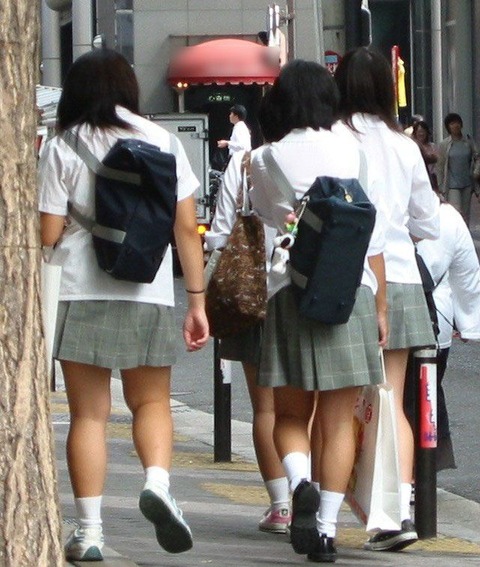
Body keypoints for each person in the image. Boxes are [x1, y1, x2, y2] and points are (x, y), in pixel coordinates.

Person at [38, 48, 209, 562]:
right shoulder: (163, 140)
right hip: (147, 289)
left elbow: (47, 235)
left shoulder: (63, 145)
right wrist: (196, 302)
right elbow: (186, 229)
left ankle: (90, 532)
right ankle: (157, 483)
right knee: (151, 402)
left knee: (89, 415)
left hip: (79, 288)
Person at [249, 59, 388, 563]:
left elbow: (267, 215)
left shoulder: (265, 158)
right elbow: (372, 232)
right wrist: (380, 306)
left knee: (290, 414)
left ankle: (299, 484)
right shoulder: (355, 152)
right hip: (350, 291)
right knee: (338, 420)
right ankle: (326, 530)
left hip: (292, 290)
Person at [335, 46, 440, 552]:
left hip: (349, 280)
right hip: (399, 275)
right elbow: (428, 220)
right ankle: (398, 511)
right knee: (390, 398)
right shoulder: (404, 146)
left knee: (338, 404)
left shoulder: (334, 137)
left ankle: (328, 511)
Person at [203, 150, 291, 534]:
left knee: (266, 408)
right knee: (312, 406)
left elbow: (220, 234)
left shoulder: (244, 163)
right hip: (307, 293)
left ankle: (281, 506)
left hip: (255, 296)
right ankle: (313, 494)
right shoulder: (323, 151)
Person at [404, 194, 480, 471]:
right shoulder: (448, 216)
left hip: (390, 317)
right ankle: (424, 473)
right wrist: (470, 323)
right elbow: (467, 272)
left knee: (395, 399)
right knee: (427, 394)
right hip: (437, 320)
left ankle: (402, 473)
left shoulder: (387, 209)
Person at [436, 112, 479, 225]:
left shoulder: (468, 141)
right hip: (452, 185)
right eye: (452, 124)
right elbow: (440, 166)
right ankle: (456, 233)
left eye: (457, 123)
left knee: (465, 214)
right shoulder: (444, 144)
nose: (455, 125)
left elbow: (476, 157)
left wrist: (476, 172)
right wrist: (441, 186)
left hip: (467, 183)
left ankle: (465, 234)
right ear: (448, 127)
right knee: (456, 213)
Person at [412, 120, 438, 189]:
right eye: (419, 131)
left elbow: (436, 159)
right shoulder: (412, 147)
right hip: (417, 179)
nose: (421, 134)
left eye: (423, 131)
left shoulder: (432, 146)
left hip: (432, 178)